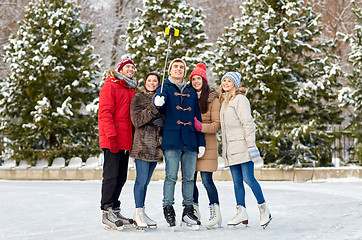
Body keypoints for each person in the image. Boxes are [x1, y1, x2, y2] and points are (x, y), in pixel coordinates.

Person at [153, 58, 206, 230]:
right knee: (171, 177)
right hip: (172, 139)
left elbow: (197, 117)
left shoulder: (191, 91)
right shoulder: (165, 88)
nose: (178, 69)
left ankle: (188, 210)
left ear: (185, 71)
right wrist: (157, 102)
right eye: (175, 67)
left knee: (189, 178)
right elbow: (158, 105)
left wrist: (201, 141)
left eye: (181, 67)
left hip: (190, 139)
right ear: (169, 71)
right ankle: (168, 208)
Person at [219, 72, 272, 228]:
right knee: (236, 182)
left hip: (242, 146)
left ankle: (263, 208)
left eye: (229, 81)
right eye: (224, 80)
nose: (226, 83)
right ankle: (241, 211)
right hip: (231, 148)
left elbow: (247, 123)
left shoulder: (240, 99)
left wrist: (251, 145)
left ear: (235, 84)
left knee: (248, 179)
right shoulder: (225, 101)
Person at [98, 58, 137, 230]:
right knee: (111, 176)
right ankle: (106, 211)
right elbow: (105, 113)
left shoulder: (131, 89)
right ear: (120, 69)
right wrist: (112, 137)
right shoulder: (111, 85)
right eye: (128, 67)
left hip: (125, 141)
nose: (131, 69)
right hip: (113, 139)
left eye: (133, 67)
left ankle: (115, 208)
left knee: (121, 177)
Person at [190, 63, 222, 229]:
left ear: (204, 80)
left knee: (207, 180)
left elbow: (217, 124)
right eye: (193, 79)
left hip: (208, 146)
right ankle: (193, 211)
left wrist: (200, 126)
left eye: (199, 78)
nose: (196, 81)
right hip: (191, 144)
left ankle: (215, 212)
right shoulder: (188, 96)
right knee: (191, 180)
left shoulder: (212, 98)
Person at [130, 73, 163, 229]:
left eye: (155, 81)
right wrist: (153, 108)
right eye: (149, 80)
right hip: (142, 145)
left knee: (147, 182)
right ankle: (138, 212)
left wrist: (162, 118)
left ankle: (142, 211)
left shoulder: (163, 98)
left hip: (156, 148)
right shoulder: (138, 98)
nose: (152, 83)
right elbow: (136, 121)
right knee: (141, 181)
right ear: (145, 83)